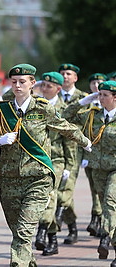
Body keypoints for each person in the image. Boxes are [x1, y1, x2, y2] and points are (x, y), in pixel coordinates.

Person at [0, 63, 92, 266]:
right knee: (17, 232)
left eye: (22, 81)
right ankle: (27, 262)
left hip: (38, 179)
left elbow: (65, 127)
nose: (17, 85)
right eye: (14, 82)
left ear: (33, 83)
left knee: (24, 231)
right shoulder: (2, 112)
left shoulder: (42, 108)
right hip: (9, 181)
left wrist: (85, 141)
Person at [62, 80, 116, 265]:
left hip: (115, 169)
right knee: (108, 208)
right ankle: (111, 241)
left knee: (109, 203)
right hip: (97, 170)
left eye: (105, 95)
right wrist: (83, 102)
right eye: (99, 95)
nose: (100, 98)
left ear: (115, 97)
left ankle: (106, 237)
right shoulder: (93, 115)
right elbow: (65, 116)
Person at [34, 72, 76, 256]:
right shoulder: (35, 105)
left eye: (48, 86)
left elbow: (70, 139)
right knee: (44, 199)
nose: (44, 89)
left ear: (58, 89)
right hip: (37, 160)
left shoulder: (64, 109)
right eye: (43, 85)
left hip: (56, 161)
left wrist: (70, 166)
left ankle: (43, 231)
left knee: (49, 196)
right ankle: (52, 240)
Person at [55, 63, 88, 245]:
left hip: (75, 150)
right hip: (57, 148)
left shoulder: (84, 98)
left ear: (75, 78)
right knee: (62, 188)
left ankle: (59, 216)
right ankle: (72, 226)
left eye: (68, 74)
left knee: (66, 187)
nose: (65, 76)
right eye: (62, 73)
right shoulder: (53, 96)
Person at [83, 73, 107, 237]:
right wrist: (83, 102)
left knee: (110, 200)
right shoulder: (92, 111)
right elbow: (70, 121)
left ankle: (106, 232)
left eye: (100, 84)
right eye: (94, 83)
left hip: (113, 165)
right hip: (95, 162)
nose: (97, 86)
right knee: (97, 193)